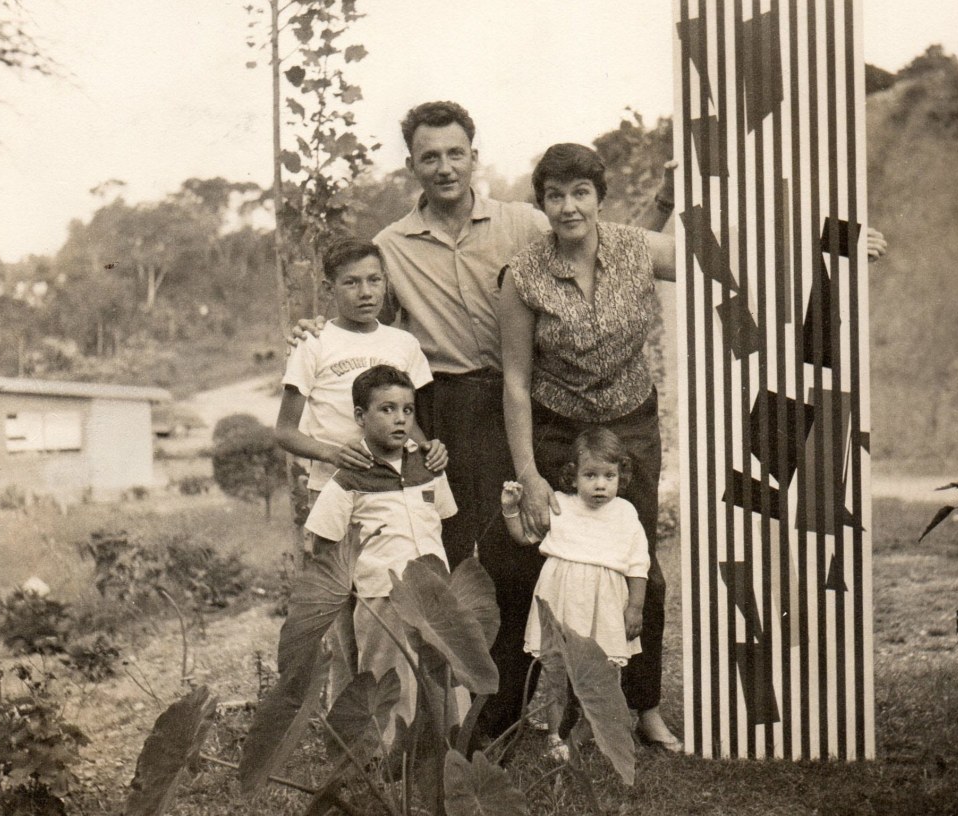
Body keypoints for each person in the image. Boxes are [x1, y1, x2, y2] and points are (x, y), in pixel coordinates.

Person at [367, 101, 676, 740]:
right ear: (412, 165)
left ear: (474, 157)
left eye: (456, 153)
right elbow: (366, 319)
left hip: (529, 403)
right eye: (430, 156)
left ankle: (590, 703)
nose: (445, 167)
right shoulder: (390, 247)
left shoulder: (523, 220)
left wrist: (666, 202)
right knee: (464, 558)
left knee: (550, 552)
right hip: (450, 405)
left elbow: (610, 246)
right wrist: (317, 335)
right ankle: (486, 714)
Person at [304, 365, 459, 746]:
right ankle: (387, 757)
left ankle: (444, 748)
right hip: (382, 595)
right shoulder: (349, 478)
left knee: (440, 672)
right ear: (361, 416)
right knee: (388, 678)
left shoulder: (428, 467)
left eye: (407, 410)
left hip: (433, 590)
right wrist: (356, 583)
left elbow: (443, 519)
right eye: (387, 409)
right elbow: (323, 543)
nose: (400, 419)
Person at [274, 237, 446, 530]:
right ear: (329, 289)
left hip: (393, 487)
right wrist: (332, 453)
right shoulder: (313, 342)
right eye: (351, 283)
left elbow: (408, 421)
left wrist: (428, 448)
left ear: (385, 282)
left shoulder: (404, 344)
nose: (366, 292)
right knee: (339, 559)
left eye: (374, 280)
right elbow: (285, 432)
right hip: (335, 487)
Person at [501, 427, 650, 760]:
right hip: (562, 599)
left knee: (603, 671)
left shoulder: (625, 513)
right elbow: (524, 537)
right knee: (557, 670)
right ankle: (556, 736)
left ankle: (587, 731)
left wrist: (635, 608)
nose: (600, 484)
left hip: (605, 603)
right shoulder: (561, 505)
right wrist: (511, 509)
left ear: (621, 476)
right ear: (573, 475)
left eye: (609, 476)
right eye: (590, 475)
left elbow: (639, 564)